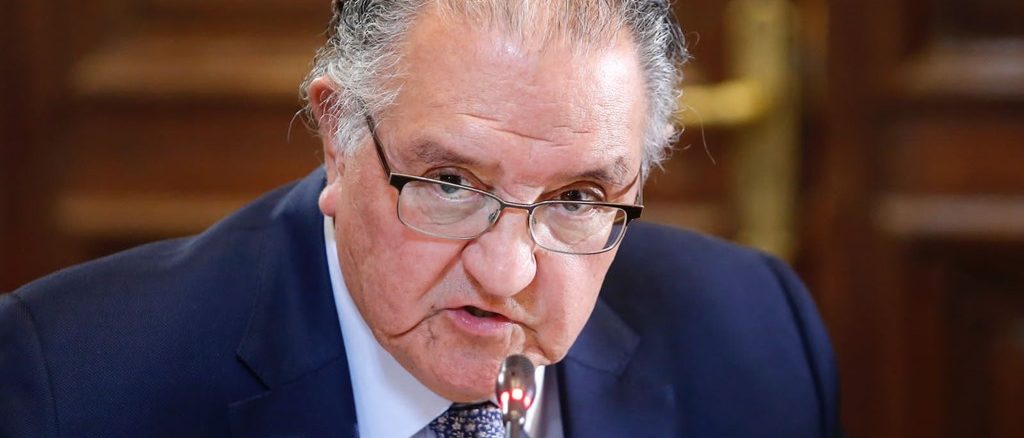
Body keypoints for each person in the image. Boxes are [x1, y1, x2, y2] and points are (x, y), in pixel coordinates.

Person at [0, 1, 839, 437]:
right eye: (449, 183)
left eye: (577, 200)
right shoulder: (71, 385)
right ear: (337, 135)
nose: (507, 273)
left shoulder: (757, 339)